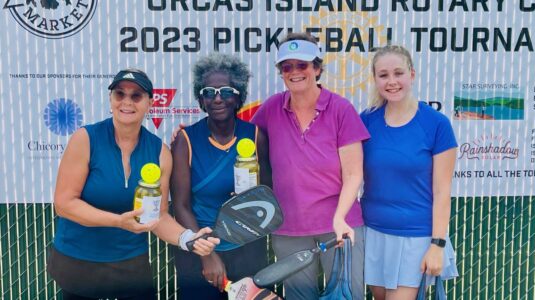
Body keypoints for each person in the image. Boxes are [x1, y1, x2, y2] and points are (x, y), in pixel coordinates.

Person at [47, 68, 219, 300]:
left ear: (149, 102)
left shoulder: (159, 152)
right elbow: (64, 204)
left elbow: (158, 216)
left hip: (130, 264)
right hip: (79, 262)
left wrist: (188, 238)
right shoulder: (86, 139)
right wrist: (118, 222)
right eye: (120, 94)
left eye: (136, 95)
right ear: (111, 100)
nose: (127, 101)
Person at [250, 32, 370, 300]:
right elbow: (239, 140)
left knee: (348, 295)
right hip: (289, 228)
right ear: (281, 72)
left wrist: (339, 218)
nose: (294, 72)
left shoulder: (341, 109)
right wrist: (192, 133)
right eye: (287, 66)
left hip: (339, 226)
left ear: (317, 68)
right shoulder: (271, 108)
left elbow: (353, 174)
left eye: (302, 65)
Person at [359, 45, 459, 300]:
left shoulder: (437, 124)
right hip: (373, 232)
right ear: (375, 79)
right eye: (383, 75)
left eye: (398, 73)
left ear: (411, 75)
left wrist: (437, 245)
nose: (391, 81)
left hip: (415, 237)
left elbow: (442, 190)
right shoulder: (366, 120)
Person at [170, 53, 271, 300]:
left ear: (238, 97)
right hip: (198, 247)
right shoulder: (186, 140)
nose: (217, 98)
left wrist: (248, 203)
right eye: (208, 92)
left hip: (246, 248)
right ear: (201, 100)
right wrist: (206, 253)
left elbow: (267, 194)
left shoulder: (256, 135)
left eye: (226, 91)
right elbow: (180, 205)